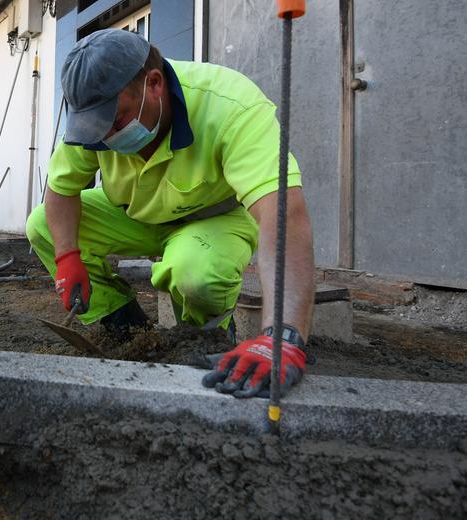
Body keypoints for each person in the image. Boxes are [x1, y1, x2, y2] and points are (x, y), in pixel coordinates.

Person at [26, 29, 316, 399]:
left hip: (213, 218)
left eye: (117, 122)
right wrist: (67, 257)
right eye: (97, 132)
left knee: (196, 273)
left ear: (155, 83)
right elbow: (62, 189)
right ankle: (126, 330)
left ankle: (200, 338)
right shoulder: (96, 124)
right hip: (137, 215)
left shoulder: (229, 106)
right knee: (43, 226)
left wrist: (284, 335)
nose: (109, 139)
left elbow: (284, 213)